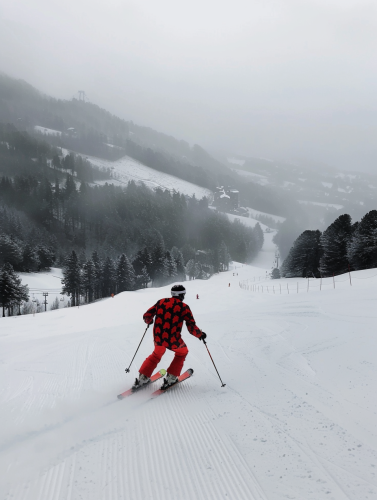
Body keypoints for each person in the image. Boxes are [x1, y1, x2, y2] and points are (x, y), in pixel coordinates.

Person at [133, 284, 206, 390]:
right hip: (173, 340)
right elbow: (191, 326)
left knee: (156, 355)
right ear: (181, 295)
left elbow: (147, 315)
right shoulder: (184, 307)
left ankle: (143, 377)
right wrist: (200, 334)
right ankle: (171, 378)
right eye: (183, 294)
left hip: (158, 339)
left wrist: (149, 320)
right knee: (182, 352)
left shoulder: (161, 302)